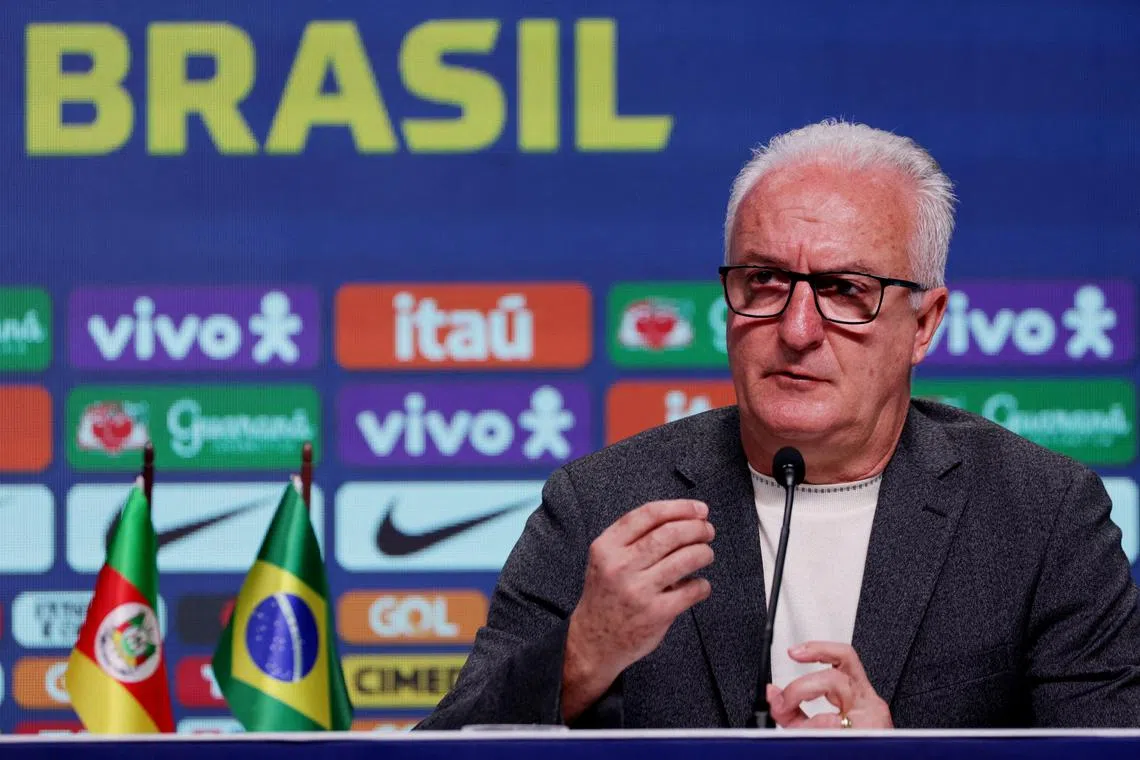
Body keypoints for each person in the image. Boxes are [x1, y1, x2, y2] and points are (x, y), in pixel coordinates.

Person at [416, 119, 1140, 729]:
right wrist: (581, 655)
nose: (797, 328)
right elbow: (443, 750)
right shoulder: (601, 503)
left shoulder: (1040, 516)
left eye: (844, 289)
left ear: (925, 322)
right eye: (763, 280)